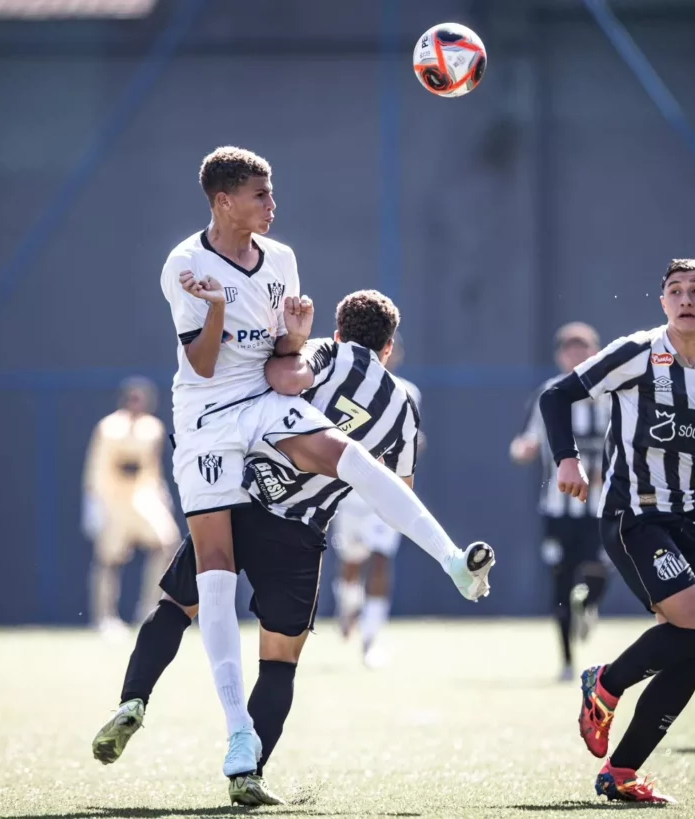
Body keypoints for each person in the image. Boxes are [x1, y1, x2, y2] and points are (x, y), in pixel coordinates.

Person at [162, 147, 495, 779]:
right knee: (216, 570)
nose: (272, 202)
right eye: (260, 193)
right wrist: (212, 309)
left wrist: (297, 332)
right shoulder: (184, 263)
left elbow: (285, 355)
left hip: (260, 400)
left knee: (347, 455)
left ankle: (452, 559)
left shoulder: (281, 258)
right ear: (224, 200)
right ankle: (238, 729)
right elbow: (202, 366)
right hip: (204, 415)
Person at [94, 290, 496, 806]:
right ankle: (249, 773)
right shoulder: (403, 408)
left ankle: (134, 699)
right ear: (390, 347)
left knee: (176, 607)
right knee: (280, 661)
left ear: (340, 329)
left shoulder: (333, 353)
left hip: (241, 501)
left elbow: (284, 378)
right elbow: (398, 494)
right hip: (302, 533)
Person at [539, 257, 695, 803]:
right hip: (634, 514)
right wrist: (566, 460)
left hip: (688, 519)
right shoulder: (636, 352)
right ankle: (604, 683)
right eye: (674, 290)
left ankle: (621, 772)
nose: (684, 299)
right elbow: (556, 396)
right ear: (662, 301)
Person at [510, 322, 611, 681]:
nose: (577, 353)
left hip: (600, 506)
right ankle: (567, 660)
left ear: (596, 351)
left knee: (600, 570)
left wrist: (609, 471)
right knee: (561, 580)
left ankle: (590, 606)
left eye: (584, 346)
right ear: (559, 355)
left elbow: (626, 445)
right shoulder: (549, 394)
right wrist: (524, 450)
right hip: (558, 506)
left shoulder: (610, 394)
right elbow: (525, 441)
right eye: (570, 347)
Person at [330, 332, 423, 667]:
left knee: (381, 560)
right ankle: (348, 607)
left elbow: (409, 439)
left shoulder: (408, 392)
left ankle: (370, 641)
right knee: (352, 563)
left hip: (384, 495)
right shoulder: (340, 385)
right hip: (349, 494)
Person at [82, 377, 181, 634]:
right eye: (132, 398)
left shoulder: (153, 428)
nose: (137, 404)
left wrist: (161, 495)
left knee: (167, 544)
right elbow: (96, 467)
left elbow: (152, 468)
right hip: (113, 500)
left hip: (143, 497)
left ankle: (149, 608)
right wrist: (94, 503)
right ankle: (105, 617)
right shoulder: (109, 427)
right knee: (109, 558)